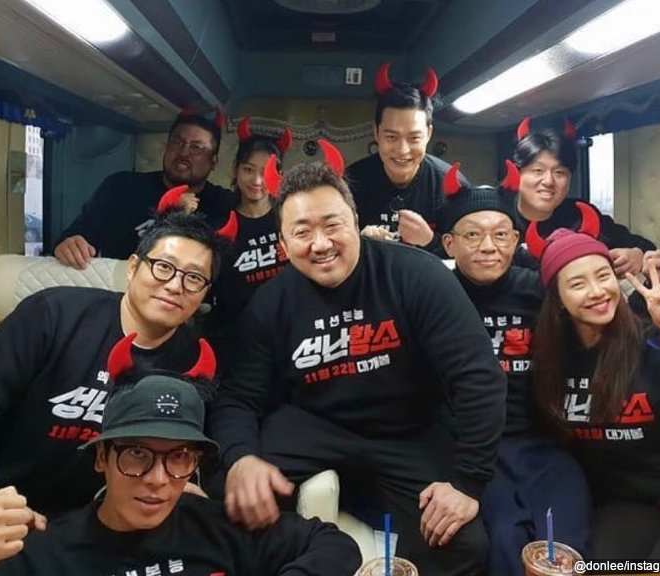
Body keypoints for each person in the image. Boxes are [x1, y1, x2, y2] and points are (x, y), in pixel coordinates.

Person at [210, 147, 507, 576]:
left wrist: (468, 482)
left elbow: (478, 377)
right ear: (284, 244)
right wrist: (240, 458)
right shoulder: (270, 302)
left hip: (409, 428)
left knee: (462, 543)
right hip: (314, 423)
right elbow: (239, 396)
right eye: (302, 232)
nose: (320, 244)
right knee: (226, 492)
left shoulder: (418, 276)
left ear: (355, 222)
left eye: (332, 225)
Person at [0, 335, 362, 575]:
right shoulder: (43, 553)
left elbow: (334, 544)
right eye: (136, 453)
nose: (158, 479)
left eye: (179, 457)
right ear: (101, 457)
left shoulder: (217, 527)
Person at [0, 210, 225, 522]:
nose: (174, 285)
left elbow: (188, 446)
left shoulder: (194, 360)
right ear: (133, 267)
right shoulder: (53, 314)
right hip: (7, 504)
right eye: (164, 267)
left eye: (194, 278)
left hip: (106, 526)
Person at [441, 161, 592, 575]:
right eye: (473, 234)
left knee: (566, 545)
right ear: (450, 244)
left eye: (501, 234)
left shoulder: (541, 291)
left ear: (516, 240)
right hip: (473, 449)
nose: (489, 246)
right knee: (505, 541)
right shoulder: (435, 295)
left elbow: (600, 314)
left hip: (542, 444)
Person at [528, 222, 660, 559]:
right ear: (559, 301)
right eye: (578, 284)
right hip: (625, 500)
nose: (597, 291)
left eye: (603, 276)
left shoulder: (655, 342)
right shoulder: (551, 363)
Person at [54, 111, 234, 269]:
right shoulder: (121, 187)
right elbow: (80, 233)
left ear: (213, 162)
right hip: (119, 289)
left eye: (196, 147)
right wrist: (69, 244)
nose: (184, 153)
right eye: (177, 142)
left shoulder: (224, 204)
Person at [346, 62, 465, 256]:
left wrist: (430, 240)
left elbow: (469, 254)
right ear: (376, 133)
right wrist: (359, 242)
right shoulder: (350, 183)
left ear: (428, 133)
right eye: (391, 137)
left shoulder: (452, 185)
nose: (403, 150)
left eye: (414, 138)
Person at [513, 117, 655, 276]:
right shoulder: (498, 214)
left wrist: (637, 254)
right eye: (538, 171)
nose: (548, 181)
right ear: (517, 172)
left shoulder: (579, 214)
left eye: (559, 172)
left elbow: (644, 246)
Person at [203, 117, 291, 372]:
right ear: (235, 170)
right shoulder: (217, 227)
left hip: (285, 332)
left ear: (279, 175)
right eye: (248, 169)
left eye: (267, 171)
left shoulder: (291, 220)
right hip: (233, 338)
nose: (257, 180)